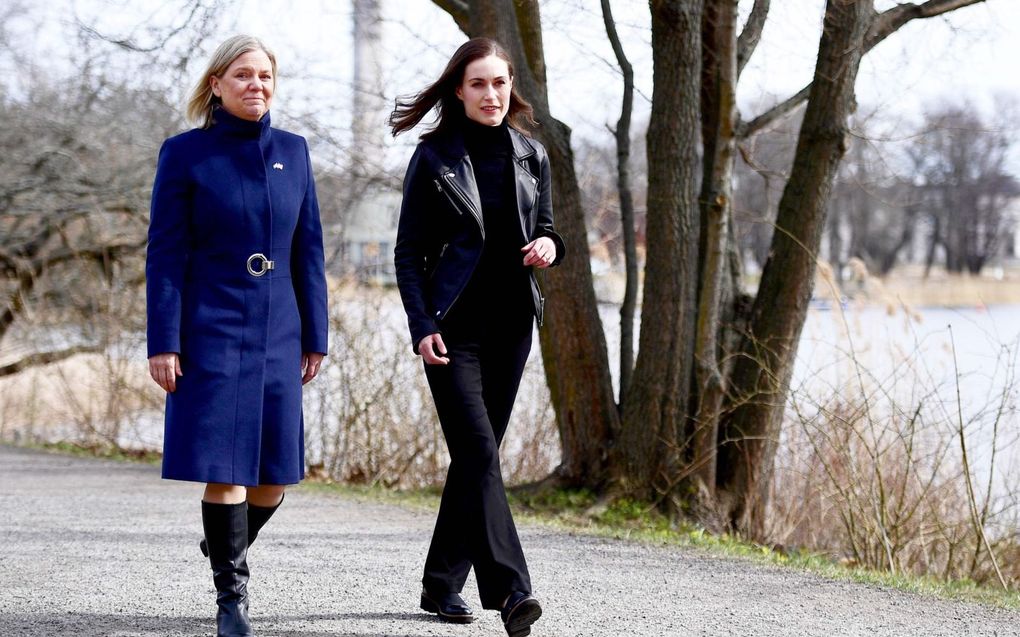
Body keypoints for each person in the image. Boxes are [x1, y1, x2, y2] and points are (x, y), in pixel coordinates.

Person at [145, 35, 328, 637]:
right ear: (217, 84)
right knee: (224, 467)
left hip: (280, 327)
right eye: (243, 75)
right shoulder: (185, 154)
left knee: (275, 475)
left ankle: (224, 546)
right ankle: (232, 600)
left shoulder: (296, 153)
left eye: (266, 76)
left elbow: (309, 251)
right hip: (212, 325)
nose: (257, 85)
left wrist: (316, 335)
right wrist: (162, 340)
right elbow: (167, 254)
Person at [390, 37, 564, 637]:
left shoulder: (531, 155)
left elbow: (546, 230)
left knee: (473, 460)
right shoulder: (434, 158)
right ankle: (513, 591)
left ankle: (441, 586)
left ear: (510, 87)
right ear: (458, 91)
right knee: (481, 453)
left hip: (513, 325)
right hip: (452, 329)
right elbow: (409, 253)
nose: (492, 95)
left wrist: (550, 246)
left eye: (500, 83)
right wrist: (422, 326)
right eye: (478, 84)